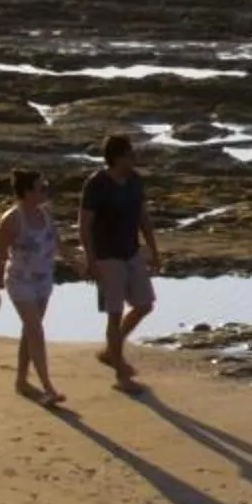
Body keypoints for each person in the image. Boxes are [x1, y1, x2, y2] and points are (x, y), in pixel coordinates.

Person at [79, 130, 162, 391]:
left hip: (131, 252)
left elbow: (143, 217)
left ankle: (110, 352)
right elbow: (84, 225)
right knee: (114, 315)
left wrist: (153, 250)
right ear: (116, 158)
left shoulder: (135, 181)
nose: (134, 158)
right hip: (106, 257)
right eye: (129, 155)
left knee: (145, 304)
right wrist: (90, 260)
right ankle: (121, 376)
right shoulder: (97, 184)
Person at [0, 166, 71, 405]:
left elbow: (58, 243)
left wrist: (78, 263)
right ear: (26, 192)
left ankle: (22, 381)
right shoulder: (11, 219)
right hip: (19, 281)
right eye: (40, 188)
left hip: (43, 280)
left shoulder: (45, 214)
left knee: (30, 330)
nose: (45, 191)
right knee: (35, 330)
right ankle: (48, 388)